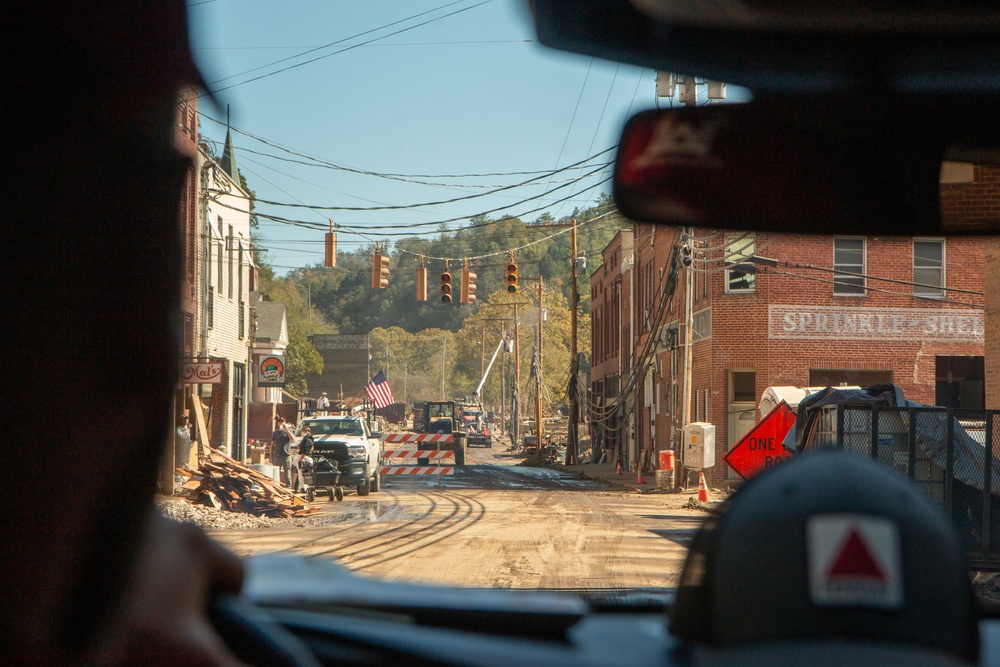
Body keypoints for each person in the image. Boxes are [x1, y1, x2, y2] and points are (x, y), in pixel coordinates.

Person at [291, 427, 315, 492]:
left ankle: (302, 488)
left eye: (303, 431)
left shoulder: (307, 440)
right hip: (307, 458)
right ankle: (303, 487)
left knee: (301, 474)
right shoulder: (308, 439)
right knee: (305, 474)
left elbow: (305, 451)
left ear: (307, 431)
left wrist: (301, 459)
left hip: (304, 458)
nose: (302, 433)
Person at [270, 417, 293, 485]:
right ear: (278, 423)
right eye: (280, 422)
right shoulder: (275, 433)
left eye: (282, 422)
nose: (281, 424)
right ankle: (277, 487)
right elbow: (272, 444)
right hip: (277, 456)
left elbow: (292, 439)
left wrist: (287, 429)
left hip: (286, 455)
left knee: (288, 474)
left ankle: (288, 487)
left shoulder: (288, 431)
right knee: (276, 474)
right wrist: (271, 456)